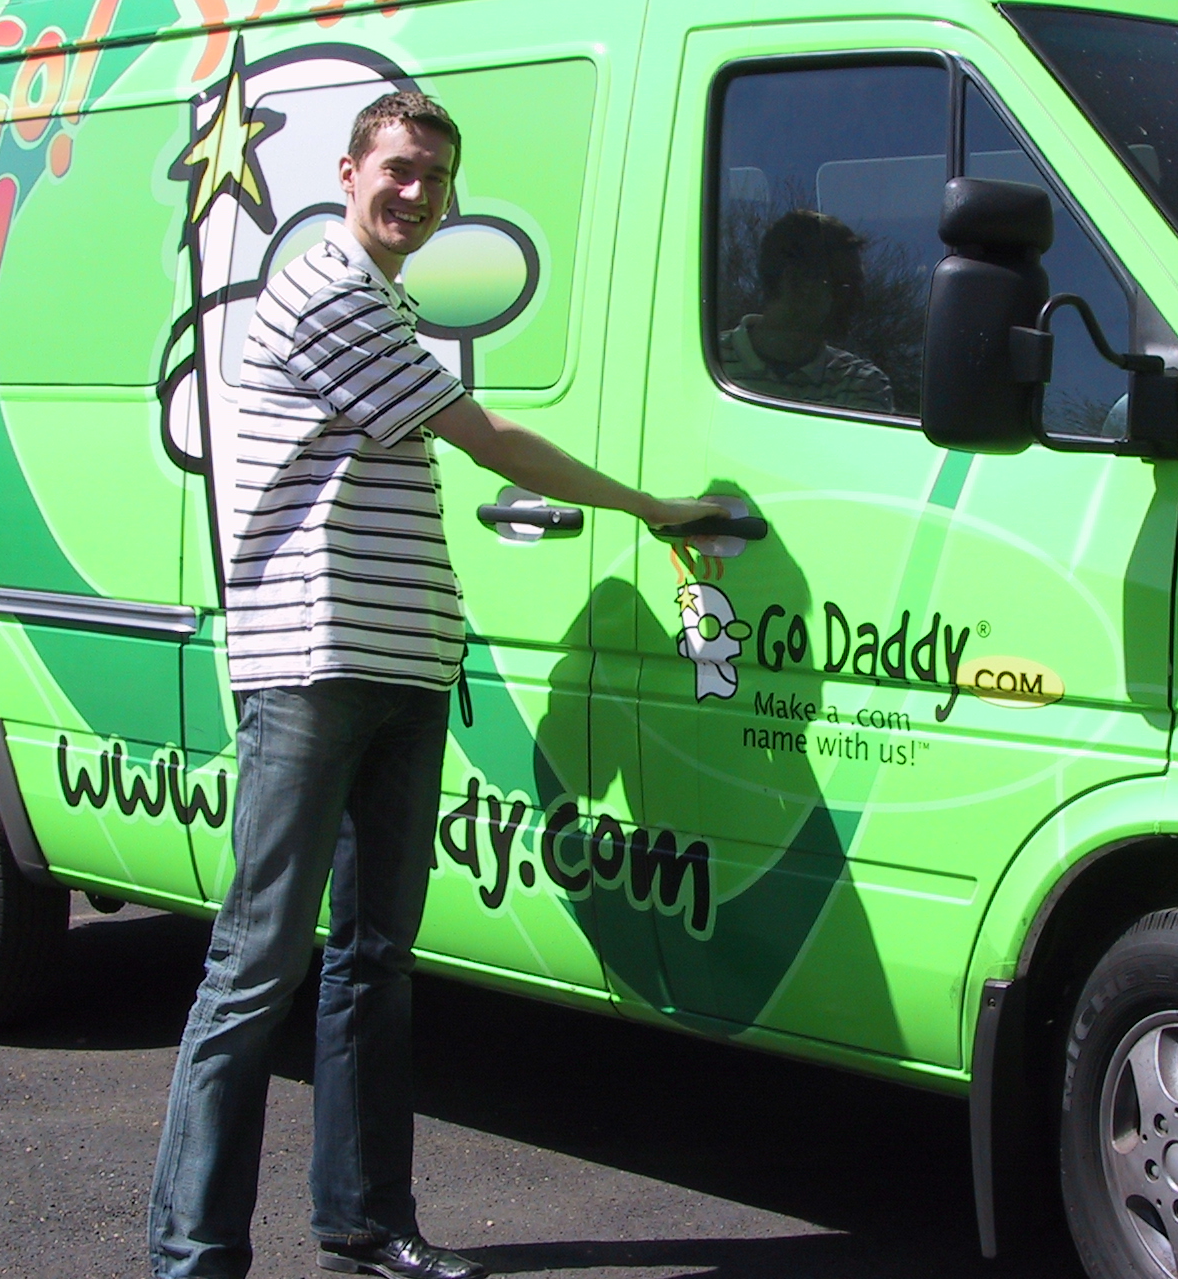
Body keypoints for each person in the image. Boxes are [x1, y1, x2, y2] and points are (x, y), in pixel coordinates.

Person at [148, 90, 718, 1279]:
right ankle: (192, 1255)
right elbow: (488, 439)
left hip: (400, 665)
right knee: (254, 966)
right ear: (348, 171)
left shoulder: (385, 301)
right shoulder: (328, 292)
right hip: (313, 667)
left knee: (373, 960)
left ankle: (364, 1222)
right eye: (400, 168)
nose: (417, 193)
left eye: (437, 176)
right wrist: (653, 508)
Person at [718, 208, 894, 412]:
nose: (858, 300)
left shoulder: (861, 383)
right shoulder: (704, 364)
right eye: (845, 285)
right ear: (794, 282)